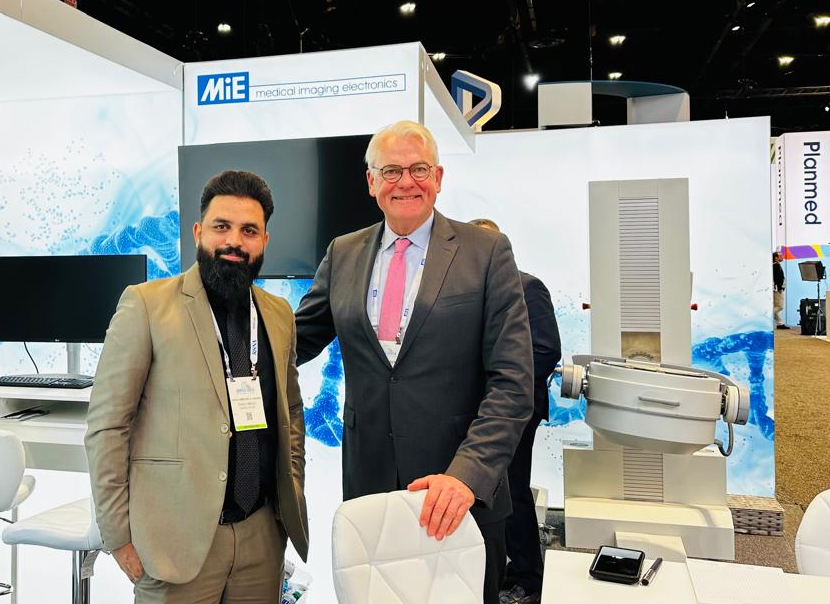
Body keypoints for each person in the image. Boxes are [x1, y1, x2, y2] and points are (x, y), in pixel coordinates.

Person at [294, 120, 533, 604]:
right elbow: (294, 339)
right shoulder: (343, 252)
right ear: (371, 182)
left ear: (438, 177)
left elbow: (513, 383)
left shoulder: (486, 252)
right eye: (391, 171)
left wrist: (466, 475)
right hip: (371, 492)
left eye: (419, 169)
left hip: (458, 493)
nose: (406, 182)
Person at [85, 171, 309, 604]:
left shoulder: (279, 314)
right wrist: (118, 536)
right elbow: (107, 426)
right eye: (221, 226)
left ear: (265, 240)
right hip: (175, 543)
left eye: (249, 231)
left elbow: (292, 413)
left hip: (262, 537)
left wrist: (289, 492)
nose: (234, 241)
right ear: (197, 232)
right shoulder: (147, 305)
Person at [471, 219, 561, 604]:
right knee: (488, 490)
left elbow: (546, 350)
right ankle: (501, 569)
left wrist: (502, 383)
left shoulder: (528, 287)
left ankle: (527, 577)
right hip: (479, 410)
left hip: (516, 410)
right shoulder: (468, 291)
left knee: (512, 489)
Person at [773, 252, 789, 330]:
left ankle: (780, 323)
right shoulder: (776, 265)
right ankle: (765, 316)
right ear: (776, 258)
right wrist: (780, 288)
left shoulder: (775, 265)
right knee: (779, 307)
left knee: (775, 307)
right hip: (777, 289)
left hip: (776, 289)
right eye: (780, 256)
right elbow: (777, 278)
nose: (782, 257)